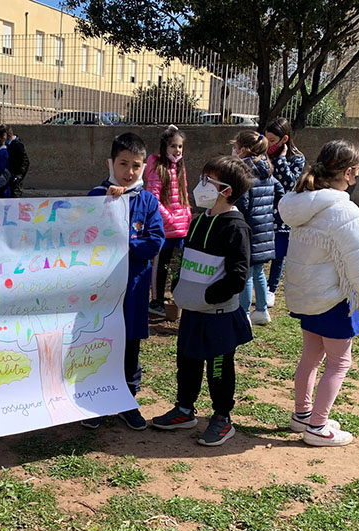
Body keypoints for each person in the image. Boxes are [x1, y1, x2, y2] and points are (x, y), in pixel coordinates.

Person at [279, 140, 359, 447]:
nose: (357, 177)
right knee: (339, 362)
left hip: (307, 297)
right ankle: (317, 427)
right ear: (349, 173)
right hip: (335, 301)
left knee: (311, 356)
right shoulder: (343, 209)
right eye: (357, 172)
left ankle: (303, 415)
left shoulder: (301, 202)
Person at [151, 156, 255, 445]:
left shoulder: (236, 228)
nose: (201, 185)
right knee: (187, 361)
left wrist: (208, 297)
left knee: (219, 369)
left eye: (208, 181)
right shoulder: (198, 222)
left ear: (227, 190)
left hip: (219, 316)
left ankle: (222, 417)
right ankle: (185, 409)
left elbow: (237, 276)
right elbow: (185, 260)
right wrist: (178, 286)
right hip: (193, 314)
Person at [83, 132, 165, 430]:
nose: (129, 172)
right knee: (99, 343)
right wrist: (105, 207)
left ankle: (127, 400)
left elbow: (154, 241)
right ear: (110, 163)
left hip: (134, 289)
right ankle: (95, 401)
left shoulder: (148, 202)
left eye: (136, 166)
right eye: (123, 164)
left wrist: (126, 243)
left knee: (130, 346)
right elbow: (82, 237)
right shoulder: (96, 197)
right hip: (99, 293)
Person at [231, 130, 283, 326]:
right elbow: (279, 191)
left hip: (249, 231)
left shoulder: (243, 171)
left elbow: (243, 203)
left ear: (243, 150)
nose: (234, 152)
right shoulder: (267, 169)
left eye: (235, 148)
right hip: (265, 231)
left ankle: (243, 312)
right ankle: (261, 310)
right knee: (258, 271)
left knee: (245, 274)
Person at [145, 125, 192, 320]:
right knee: (160, 265)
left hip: (181, 229)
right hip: (165, 228)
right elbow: (153, 197)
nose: (177, 150)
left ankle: (176, 299)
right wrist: (169, 218)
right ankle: (156, 301)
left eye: (180, 146)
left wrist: (187, 213)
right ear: (165, 146)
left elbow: (184, 194)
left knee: (177, 266)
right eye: (173, 146)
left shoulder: (180, 167)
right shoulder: (158, 167)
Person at [265, 117, 305, 306]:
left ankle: (271, 288)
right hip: (262, 209)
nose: (269, 144)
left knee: (279, 252)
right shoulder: (262, 154)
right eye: (267, 139)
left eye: (272, 141)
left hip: (283, 212)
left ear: (284, 139)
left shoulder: (297, 158)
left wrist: (280, 159)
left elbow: (290, 183)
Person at [4, 125, 29, 198]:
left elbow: (25, 161)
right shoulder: (8, 145)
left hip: (15, 179)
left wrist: (19, 176)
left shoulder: (17, 145)